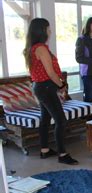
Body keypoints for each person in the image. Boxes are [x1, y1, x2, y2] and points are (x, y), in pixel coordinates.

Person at [23, 18, 78, 165]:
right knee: (61, 120)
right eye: (48, 28)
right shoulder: (41, 48)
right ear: (42, 30)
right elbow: (51, 73)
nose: (50, 31)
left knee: (45, 119)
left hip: (40, 87)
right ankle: (62, 154)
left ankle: (45, 150)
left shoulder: (32, 47)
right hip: (46, 88)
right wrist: (61, 85)